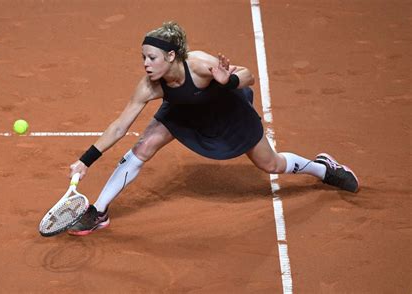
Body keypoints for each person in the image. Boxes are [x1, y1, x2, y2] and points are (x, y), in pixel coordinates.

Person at [67, 21, 359, 236]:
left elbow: (248, 75)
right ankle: (99, 211)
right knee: (143, 146)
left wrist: (228, 81)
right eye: (143, 57)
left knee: (271, 164)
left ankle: (323, 168)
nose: (145, 64)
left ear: (171, 56)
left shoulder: (199, 64)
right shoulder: (149, 86)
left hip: (226, 114)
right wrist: (85, 160)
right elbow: (119, 126)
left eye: (151, 58)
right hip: (183, 114)